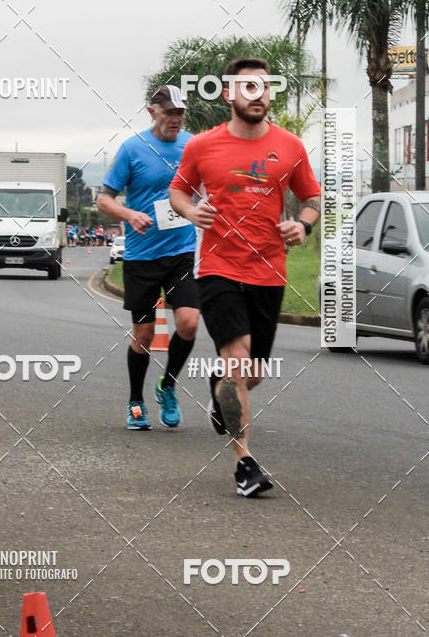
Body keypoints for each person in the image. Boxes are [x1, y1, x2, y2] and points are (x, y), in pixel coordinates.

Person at [169, 57, 321, 497]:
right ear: (229, 95)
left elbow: (312, 197)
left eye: (263, 86)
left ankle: (221, 389)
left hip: (269, 271)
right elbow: (178, 191)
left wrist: (304, 224)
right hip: (218, 267)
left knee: (251, 375)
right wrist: (190, 211)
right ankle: (244, 464)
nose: (257, 94)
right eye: (247, 87)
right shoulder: (203, 146)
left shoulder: (290, 146)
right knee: (238, 361)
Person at [97, 84, 199, 430]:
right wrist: (129, 215)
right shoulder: (132, 149)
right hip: (142, 257)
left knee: (189, 323)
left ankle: (167, 386)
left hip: (182, 252)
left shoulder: (192, 146)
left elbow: (208, 186)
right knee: (144, 334)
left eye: (180, 112)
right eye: (169, 112)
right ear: (152, 112)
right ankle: (135, 402)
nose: (175, 118)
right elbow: (104, 198)